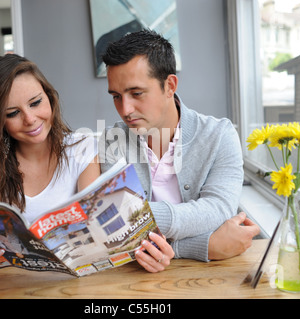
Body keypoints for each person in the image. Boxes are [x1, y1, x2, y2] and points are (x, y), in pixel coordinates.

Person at [99, 30, 260, 268]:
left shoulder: (219, 135)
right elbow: (113, 229)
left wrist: (159, 237)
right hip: (138, 281)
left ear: (169, 86)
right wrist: (205, 246)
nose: (125, 110)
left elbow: (218, 209)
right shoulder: (112, 140)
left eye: (136, 93)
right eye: (116, 96)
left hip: (212, 276)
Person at [0, 54, 102, 279]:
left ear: (49, 97)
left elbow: (91, 236)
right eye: (12, 113)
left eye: (35, 102)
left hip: (68, 281)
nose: (30, 119)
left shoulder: (83, 147)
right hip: (6, 282)